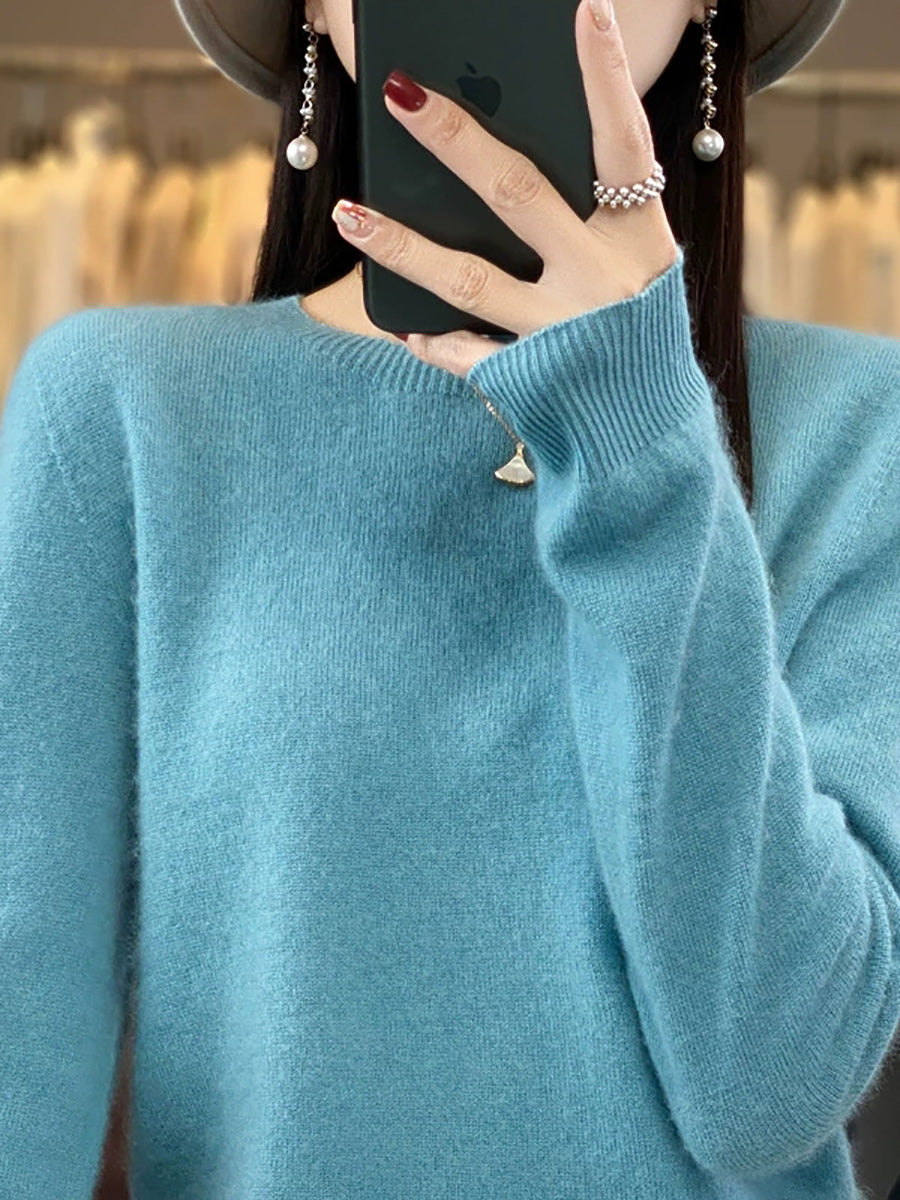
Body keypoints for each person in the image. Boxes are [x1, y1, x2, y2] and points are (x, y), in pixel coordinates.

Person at [2, 0, 898, 1197]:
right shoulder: (119, 413)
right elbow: (20, 1051)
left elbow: (770, 1086)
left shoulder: (865, 436)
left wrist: (637, 437)